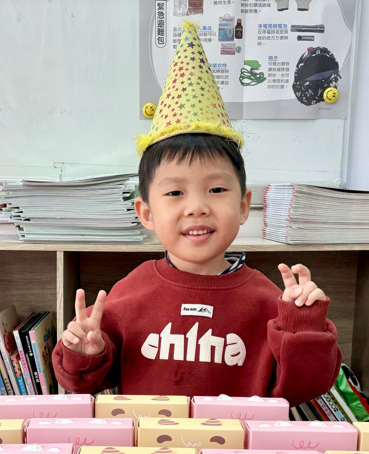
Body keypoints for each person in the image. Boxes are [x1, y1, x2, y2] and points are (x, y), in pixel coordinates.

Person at [51, 22, 341, 405]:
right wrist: (84, 352)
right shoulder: (130, 294)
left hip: (237, 443)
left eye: (216, 190)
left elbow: (303, 389)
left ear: (243, 206)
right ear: (146, 213)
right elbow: (82, 382)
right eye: (175, 192)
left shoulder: (266, 301)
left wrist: (304, 327)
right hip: (151, 443)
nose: (197, 207)